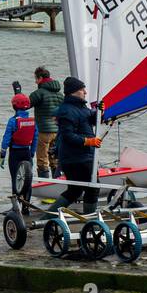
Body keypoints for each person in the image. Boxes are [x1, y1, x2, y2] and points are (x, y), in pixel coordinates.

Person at [49, 77, 100, 214]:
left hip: (82, 156)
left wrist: (100, 112)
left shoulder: (81, 107)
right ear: (73, 92)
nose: (85, 92)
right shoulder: (67, 110)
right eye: (82, 89)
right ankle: (90, 220)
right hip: (76, 158)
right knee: (93, 188)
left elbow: (90, 118)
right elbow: (68, 135)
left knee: (75, 190)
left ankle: (48, 218)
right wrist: (87, 141)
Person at [0, 93, 38, 205]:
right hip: (27, 152)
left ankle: (15, 207)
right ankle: (26, 206)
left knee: (15, 180)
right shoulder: (33, 121)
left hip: (15, 154)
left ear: (14, 106)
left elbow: (6, 139)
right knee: (27, 180)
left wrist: (2, 154)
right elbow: (35, 138)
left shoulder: (12, 121)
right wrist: (31, 153)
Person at [28, 66, 63, 179]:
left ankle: (44, 185)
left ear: (41, 78)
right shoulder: (60, 95)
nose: (35, 81)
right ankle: (57, 184)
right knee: (55, 160)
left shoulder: (39, 93)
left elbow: (25, 105)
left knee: (42, 160)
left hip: (44, 132)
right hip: (57, 132)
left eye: (36, 79)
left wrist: (17, 94)